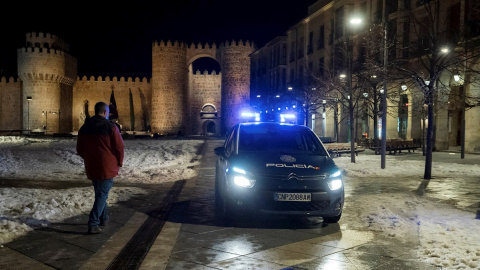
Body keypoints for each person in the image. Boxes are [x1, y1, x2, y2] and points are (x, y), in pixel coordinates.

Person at [76, 101, 124, 234]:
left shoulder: (85, 128)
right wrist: (119, 162)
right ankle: (93, 223)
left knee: (100, 193)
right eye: (108, 112)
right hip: (107, 167)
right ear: (105, 112)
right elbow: (119, 147)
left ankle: (104, 218)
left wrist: (89, 159)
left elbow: (80, 149)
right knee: (102, 194)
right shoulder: (111, 127)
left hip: (92, 166)